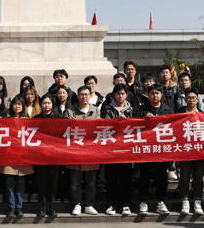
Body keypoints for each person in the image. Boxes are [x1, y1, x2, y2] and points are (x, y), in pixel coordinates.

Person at [137, 83, 172, 215]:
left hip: (161, 149)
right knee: (144, 176)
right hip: (145, 148)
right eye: (152, 93)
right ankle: (143, 202)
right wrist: (144, 120)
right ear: (148, 95)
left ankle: (161, 202)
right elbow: (134, 126)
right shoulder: (141, 110)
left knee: (162, 176)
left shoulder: (168, 110)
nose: (155, 96)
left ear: (161, 95)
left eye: (157, 93)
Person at [101, 84, 136, 216]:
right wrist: (117, 122)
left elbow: (137, 125)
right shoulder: (107, 108)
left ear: (126, 95)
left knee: (126, 178)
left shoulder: (132, 109)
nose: (120, 96)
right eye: (118, 94)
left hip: (126, 149)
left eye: (122, 94)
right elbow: (105, 125)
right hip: (112, 148)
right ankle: (111, 204)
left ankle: (125, 204)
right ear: (114, 95)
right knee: (111, 178)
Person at [67, 86, 100, 216]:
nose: (84, 97)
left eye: (86, 94)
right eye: (81, 94)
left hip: (91, 152)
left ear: (90, 96)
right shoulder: (70, 110)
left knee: (91, 182)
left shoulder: (96, 110)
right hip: (75, 152)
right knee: (75, 182)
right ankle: (77, 204)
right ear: (77, 96)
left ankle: (89, 204)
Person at [0, 96, 33, 218]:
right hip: (9, 156)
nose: (17, 106)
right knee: (9, 185)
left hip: (22, 156)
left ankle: (19, 208)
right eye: (15, 104)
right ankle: (11, 208)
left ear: (23, 106)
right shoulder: (6, 120)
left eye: (19, 104)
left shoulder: (28, 120)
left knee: (20, 185)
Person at [176, 87, 204, 215]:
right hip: (184, 151)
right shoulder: (179, 113)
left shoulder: (203, 115)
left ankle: (197, 201)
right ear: (185, 100)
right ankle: (185, 201)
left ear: (197, 99)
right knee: (184, 177)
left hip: (199, 151)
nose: (191, 100)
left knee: (198, 178)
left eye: (193, 98)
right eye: (188, 98)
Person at [34, 95, 60, 217]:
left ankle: (52, 206)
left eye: (49, 103)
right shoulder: (35, 119)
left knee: (53, 181)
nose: (46, 105)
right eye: (44, 103)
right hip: (40, 155)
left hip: (54, 155)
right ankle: (43, 205)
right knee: (41, 181)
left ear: (52, 105)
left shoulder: (58, 119)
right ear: (41, 105)